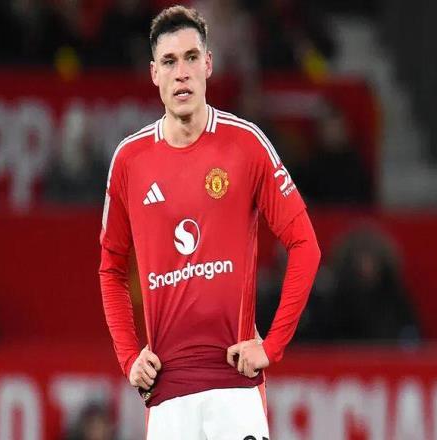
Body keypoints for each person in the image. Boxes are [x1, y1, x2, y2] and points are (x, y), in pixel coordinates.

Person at [98, 6, 321, 439]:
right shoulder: (129, 160)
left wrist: (272, 345)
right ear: (154, 74)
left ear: (209, 64)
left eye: (191, 58)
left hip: (236, 388)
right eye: (169, 61)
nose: (181, 72)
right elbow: (110, 268)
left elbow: (305, 246)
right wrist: (128, 356)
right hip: (167, 394)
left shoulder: (246, 144)